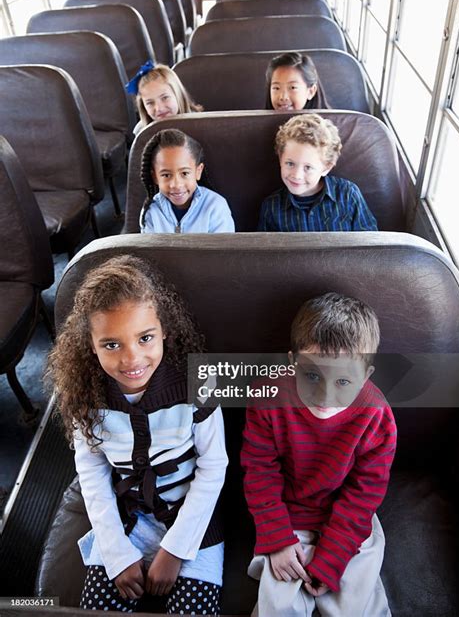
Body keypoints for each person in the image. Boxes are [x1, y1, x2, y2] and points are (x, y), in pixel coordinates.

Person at [47, 255, 228, 614]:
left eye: (145, 338)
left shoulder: (202, 381)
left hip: (193, 518)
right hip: (127, 517)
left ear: (165, 332)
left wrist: (175, 550)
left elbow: (214, 466)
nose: (132, 359)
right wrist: (115, 553)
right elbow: (92, 474)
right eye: (111, 345)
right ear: (92, 346)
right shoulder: (86, 395)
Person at [241, 292, 397, 617]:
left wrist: (332, 557)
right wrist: (279, 539)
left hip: (348, 521)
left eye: (343, 381)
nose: (325, 395)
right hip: (287, 515)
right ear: (291, 362)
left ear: (366, 375)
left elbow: (363, 495)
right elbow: (260, 474)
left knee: (355, 605)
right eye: (312, 375)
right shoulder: (267, 397)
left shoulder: (376, 416)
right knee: (277, 606)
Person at [257, 113, 378, 231]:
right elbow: (266, 250)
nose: (297, 175)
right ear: (280, 159)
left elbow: (370, 244)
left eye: (308, 167)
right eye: (290, 164)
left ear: (326, 168)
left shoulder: (348, 195)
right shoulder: (271, 207)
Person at [140, 128, 235, 233]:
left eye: (184, 173)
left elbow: (223, 248)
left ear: (198, 172)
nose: (176, 184)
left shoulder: (216, 207)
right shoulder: (151, 210)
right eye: (166, 175)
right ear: (155, 177)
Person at [126, 60, 203, 135]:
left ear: (178, 95)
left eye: (165, 98)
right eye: (150, 103)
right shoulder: (140, 131)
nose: (159, 108)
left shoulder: (199, 124)